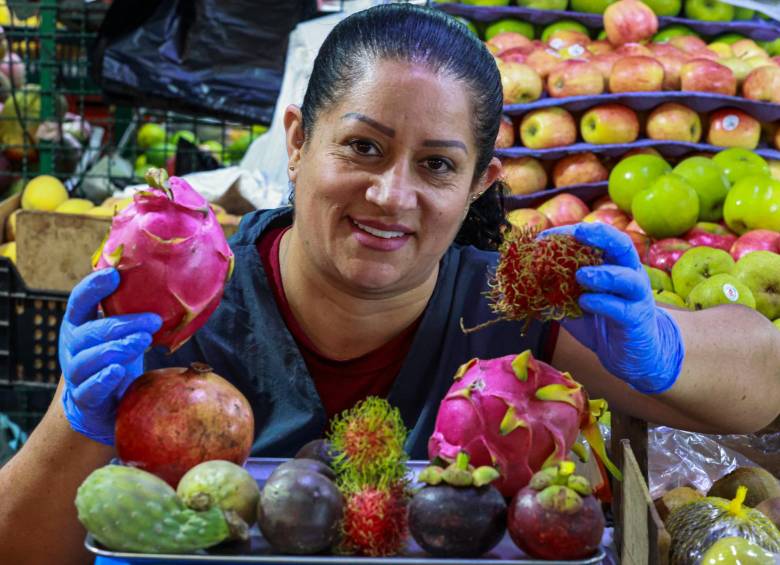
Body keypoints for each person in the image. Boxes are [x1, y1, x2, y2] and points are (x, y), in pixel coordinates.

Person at [2, 4, 779, 564]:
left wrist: (667, 348)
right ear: (298, 140)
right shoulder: (185, 308)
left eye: (438, 165)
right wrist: (83, 421)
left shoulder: (507, 308)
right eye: (364, 147)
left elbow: (764, 375)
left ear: (480, 184)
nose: (391, 194)